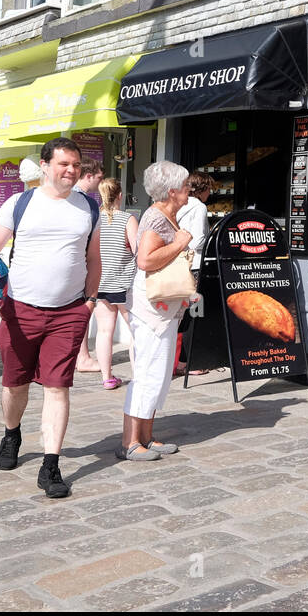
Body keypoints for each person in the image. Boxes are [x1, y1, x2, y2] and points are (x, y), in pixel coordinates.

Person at [0, 137, 101, 499]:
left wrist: (89, 301)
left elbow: (95, 260)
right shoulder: (21, 203)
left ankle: (51, 465)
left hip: (68, 312)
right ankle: (12, 433)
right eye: (64, 164)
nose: (71, 171)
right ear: (45, 165)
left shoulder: (88, 208)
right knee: (15, 384)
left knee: (58, 387)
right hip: (21, 311)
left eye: (76, 165)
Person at [119, 161, 192, 461]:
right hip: (152, 309)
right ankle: (129, 442)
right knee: (147, 371)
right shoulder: (154, 218)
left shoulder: (167, 215)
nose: (190, 189)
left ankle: (146, 437)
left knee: (159, 373)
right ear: (172, 191)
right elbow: (145, 261)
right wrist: (180, 244)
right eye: (186, 185)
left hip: (164, 309)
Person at [94, 177, 139, 390]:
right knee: (136, 331)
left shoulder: (95, 220)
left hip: (101, 283)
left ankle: (107, 377)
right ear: (120, 195)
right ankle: (138, 376)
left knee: (104, 331)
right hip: (125, 282)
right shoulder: (127, 219)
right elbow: (138, 250)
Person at [174, 170, 214, 375]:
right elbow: (198, 240)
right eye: (209, 188)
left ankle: (176, 360)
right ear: (203, 189)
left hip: (177, 263)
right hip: (195, 265)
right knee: (193, 313)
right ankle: (187, 362)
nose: (210, 193)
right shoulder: (199, 207)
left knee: (178, 312)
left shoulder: (179, 204)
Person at [74, 156, 105, 373]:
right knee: (81, 309)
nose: (100, 183)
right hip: (80, 265)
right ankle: (82, 357)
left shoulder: (71, 198)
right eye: (99, 178)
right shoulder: (84, 202)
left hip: (75, 264)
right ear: (88, 176)